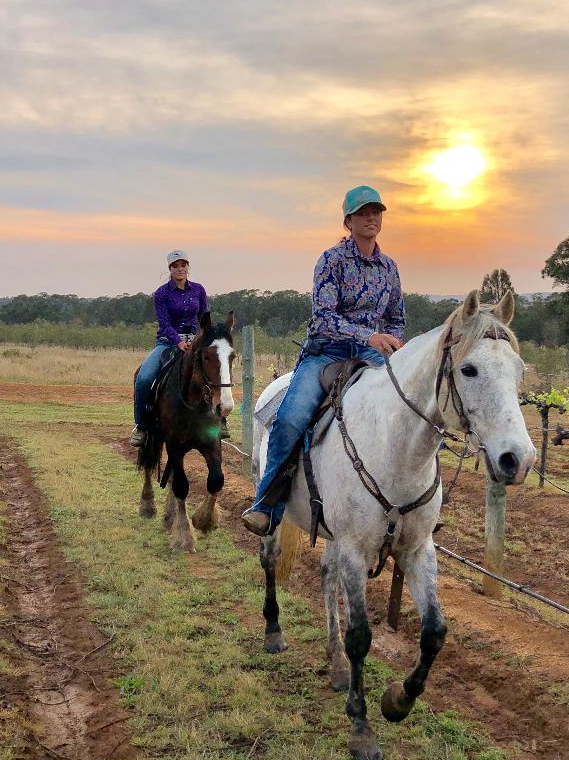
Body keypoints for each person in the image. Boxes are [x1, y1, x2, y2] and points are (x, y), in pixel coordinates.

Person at [242, 186, 405, 536]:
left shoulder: (389, 268)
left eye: (376, 212)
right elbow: (324, 317)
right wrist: (368, 336)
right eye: (363, 213)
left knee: (409, 408)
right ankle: (267, 504)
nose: (371, 218)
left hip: (370, 354)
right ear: (348, 221)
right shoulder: (331, 260)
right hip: (326, 352)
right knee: (290, 420)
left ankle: (412, 507)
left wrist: (392, 341)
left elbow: (395, 318)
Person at [130, 250, 227, 446]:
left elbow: (204, 318)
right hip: (167, 342)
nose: (180, 269)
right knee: (143, 378)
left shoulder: (198, 290)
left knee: (217, 372)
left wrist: (201, 339)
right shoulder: (161, 294)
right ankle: (141, 426)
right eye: (176, 266)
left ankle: (222, 421)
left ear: (188, 267)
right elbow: (164, 324)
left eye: (183, 265)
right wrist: (179, 342)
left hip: (196, 342)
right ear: (170, 269)